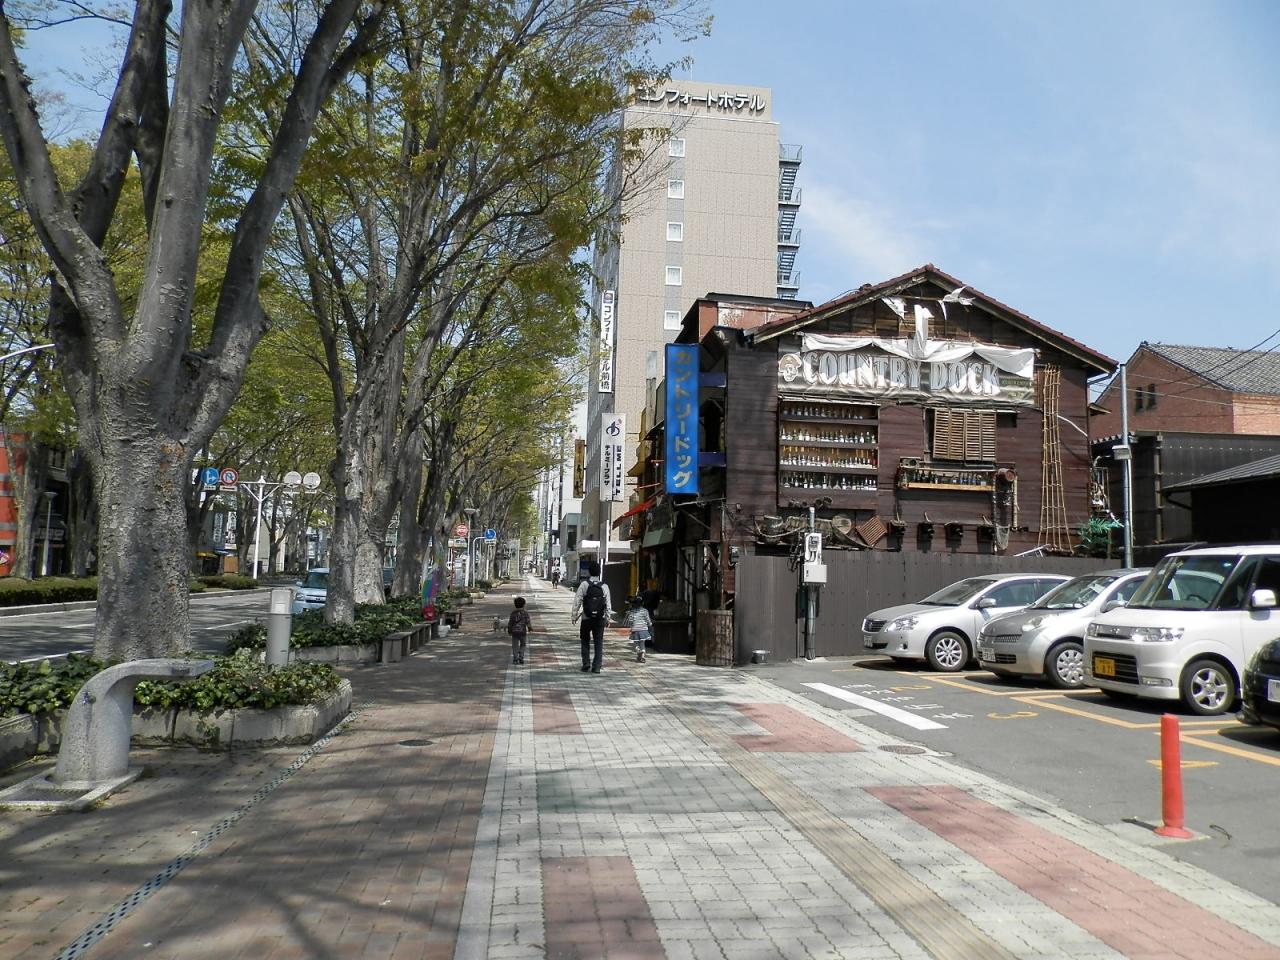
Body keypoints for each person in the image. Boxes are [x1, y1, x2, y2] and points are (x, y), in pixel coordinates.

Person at [571, 560, 612, 673]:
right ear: (599, 572)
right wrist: (608, 618)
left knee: (585, 640)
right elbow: (608, 604)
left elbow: (577, 600)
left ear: (589, 572)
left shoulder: (584, 585)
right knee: (598, 642)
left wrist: (574, 616)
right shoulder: (604, 586)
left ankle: (586, 664)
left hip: (586, 618)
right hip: (600, 619)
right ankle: (597, 666)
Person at [625, 594, 653, 663]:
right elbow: (648, 620)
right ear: (642, 603)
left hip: (635, 630)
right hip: (643, 630)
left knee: (636, 644)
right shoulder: (645, 611)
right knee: (642, 644)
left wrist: (631, 627)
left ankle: (638, 652)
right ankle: (642, 656)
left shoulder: (632, 612)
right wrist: (650, 626)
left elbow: (630, 621)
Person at [507, 596, 532, 665]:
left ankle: (515, 659)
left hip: (514, 632)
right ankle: (521, 656)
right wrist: (530, 628)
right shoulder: (525, 613)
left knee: (515, 646)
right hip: (522, 632)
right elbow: (528, 621)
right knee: (523, 644)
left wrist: (509, 630)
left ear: (515, 605)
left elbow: (510, 622)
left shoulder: (513, 613)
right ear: (524, 605)